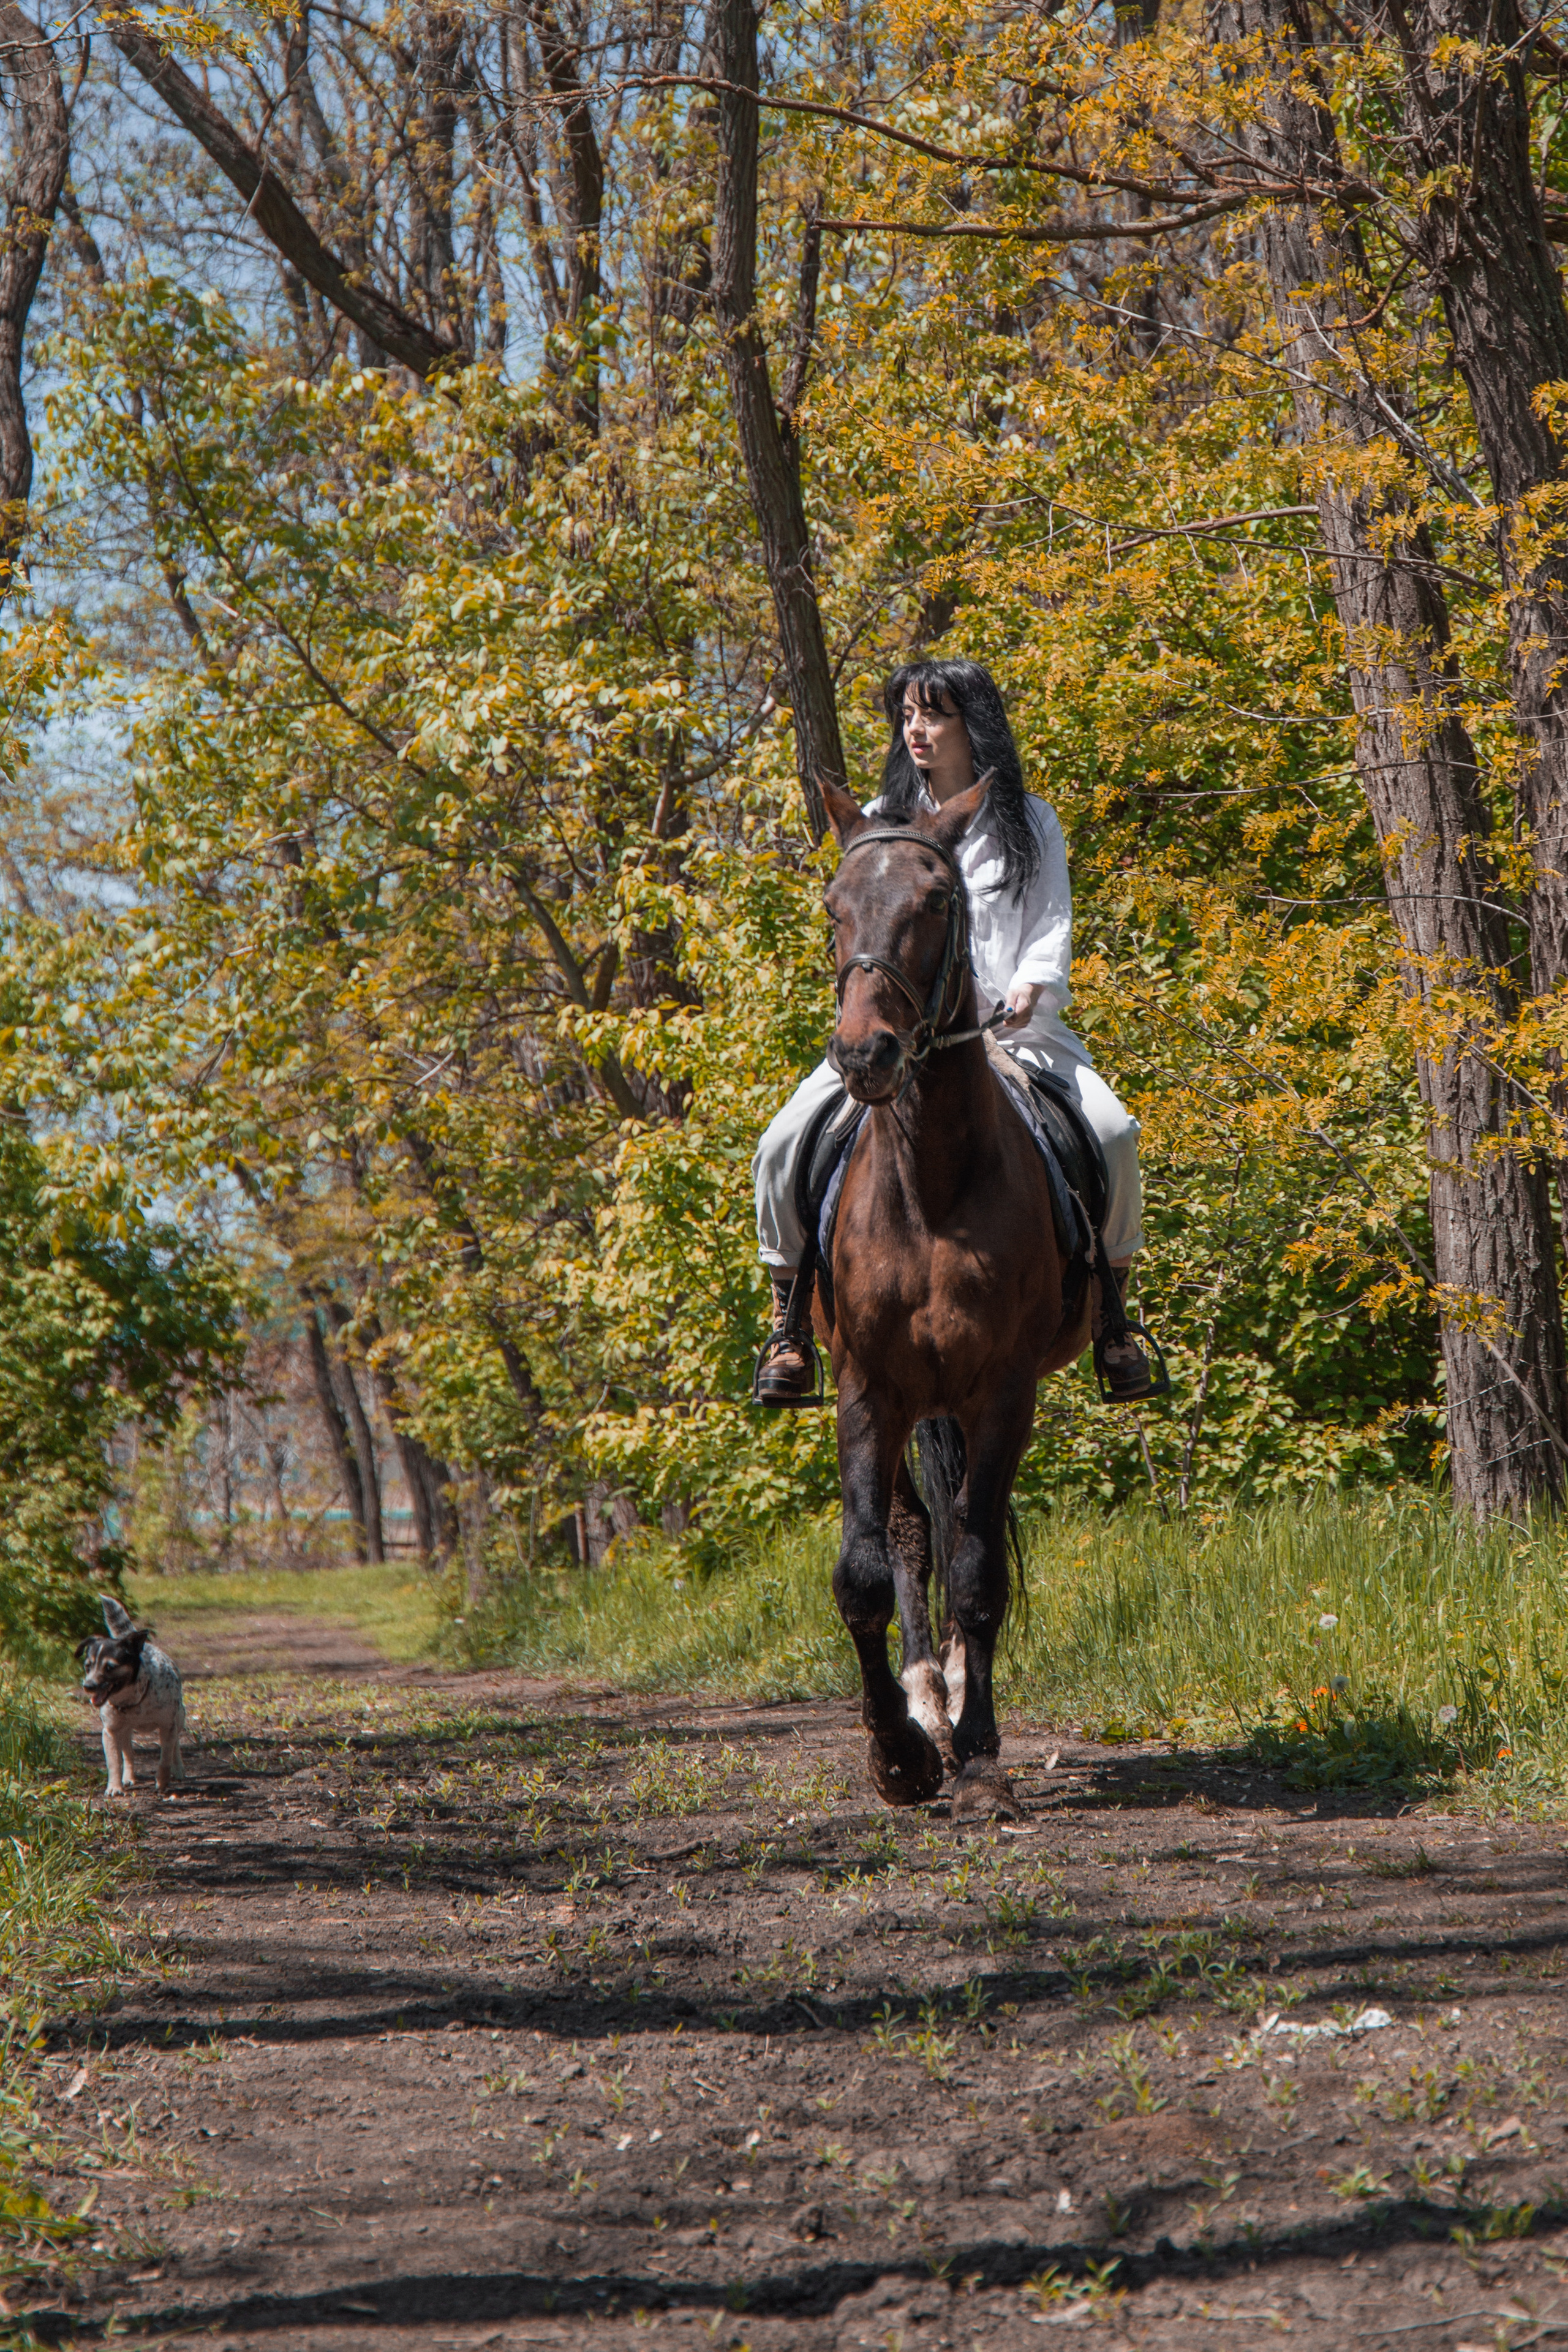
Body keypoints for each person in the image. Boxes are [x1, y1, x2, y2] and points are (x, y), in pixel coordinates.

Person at [752, 657, 1155, 1405]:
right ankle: (788, 1325)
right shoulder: (878, 820)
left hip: (1013, 1031)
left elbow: (1052, 920)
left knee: (1112, 1132)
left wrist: (1036, 984)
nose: (916, 729)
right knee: (779, 1146)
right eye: (907, 715)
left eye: (932, 715)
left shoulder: (1028, 821)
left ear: (974, 724)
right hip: (896, 1037)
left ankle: (1114, 1318)